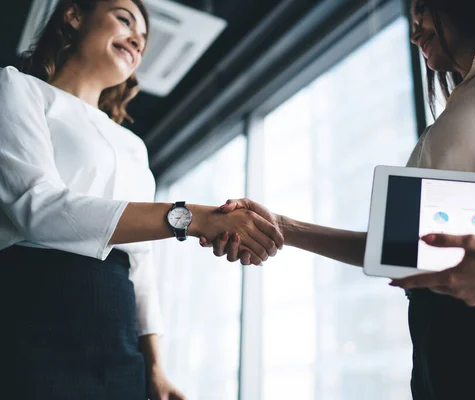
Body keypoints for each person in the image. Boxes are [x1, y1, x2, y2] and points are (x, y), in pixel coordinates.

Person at [203, 0, 475, 398]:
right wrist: (283, 229)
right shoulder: (457, 107)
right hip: (439, 345)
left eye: (422, 10)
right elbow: (401, 249)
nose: (415, 32)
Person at [0, 1, 283, 399]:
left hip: (118, 328)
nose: (137, 40)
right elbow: (37, 207)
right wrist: (190, 218)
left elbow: (140, 260)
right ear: (74, 15)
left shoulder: (133, 146)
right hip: (35, 305)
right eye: (124, 19)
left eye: (145, 40)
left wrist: (155, 367)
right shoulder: (17, 88)